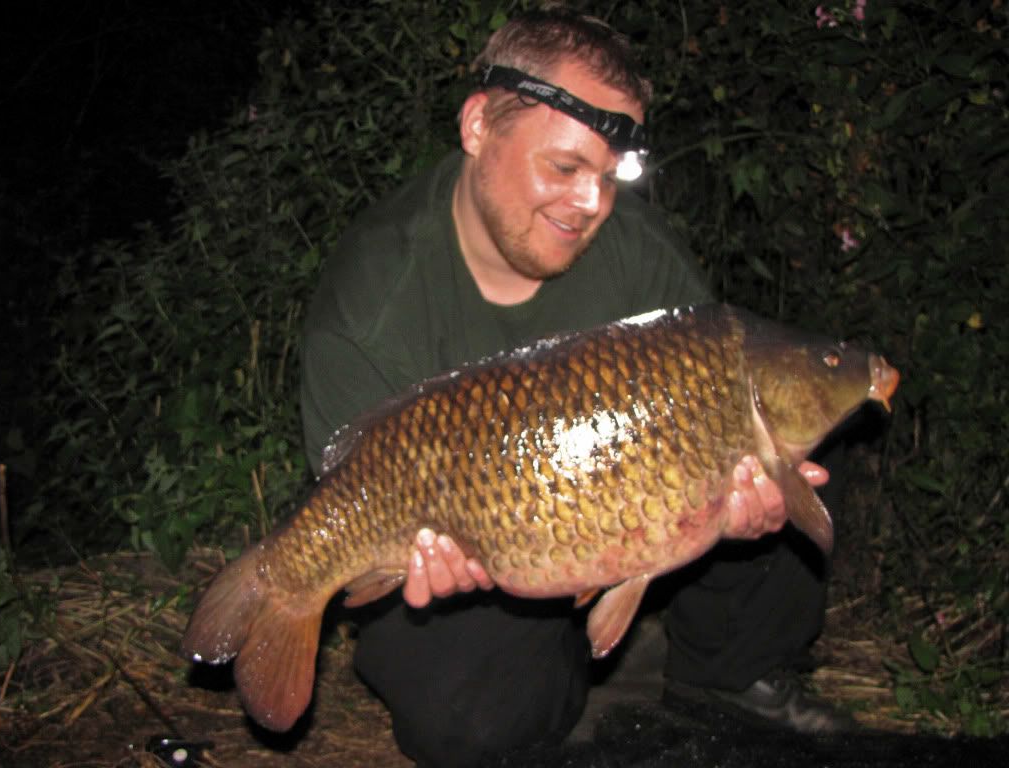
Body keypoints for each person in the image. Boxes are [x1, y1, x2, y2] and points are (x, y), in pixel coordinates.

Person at [300, 7, 853, 767]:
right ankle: (573, 682)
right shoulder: (369, 307)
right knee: (470, 717)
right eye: (563, 168)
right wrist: (431, 564)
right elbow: (346, 483)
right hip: (479, 551)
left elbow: (718, 411)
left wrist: (740, 503)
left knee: (798, 453)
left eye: (609, 175)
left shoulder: (641, 257)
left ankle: (730, 675)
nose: (591, 205)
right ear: (477, 127)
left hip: (623, 515)